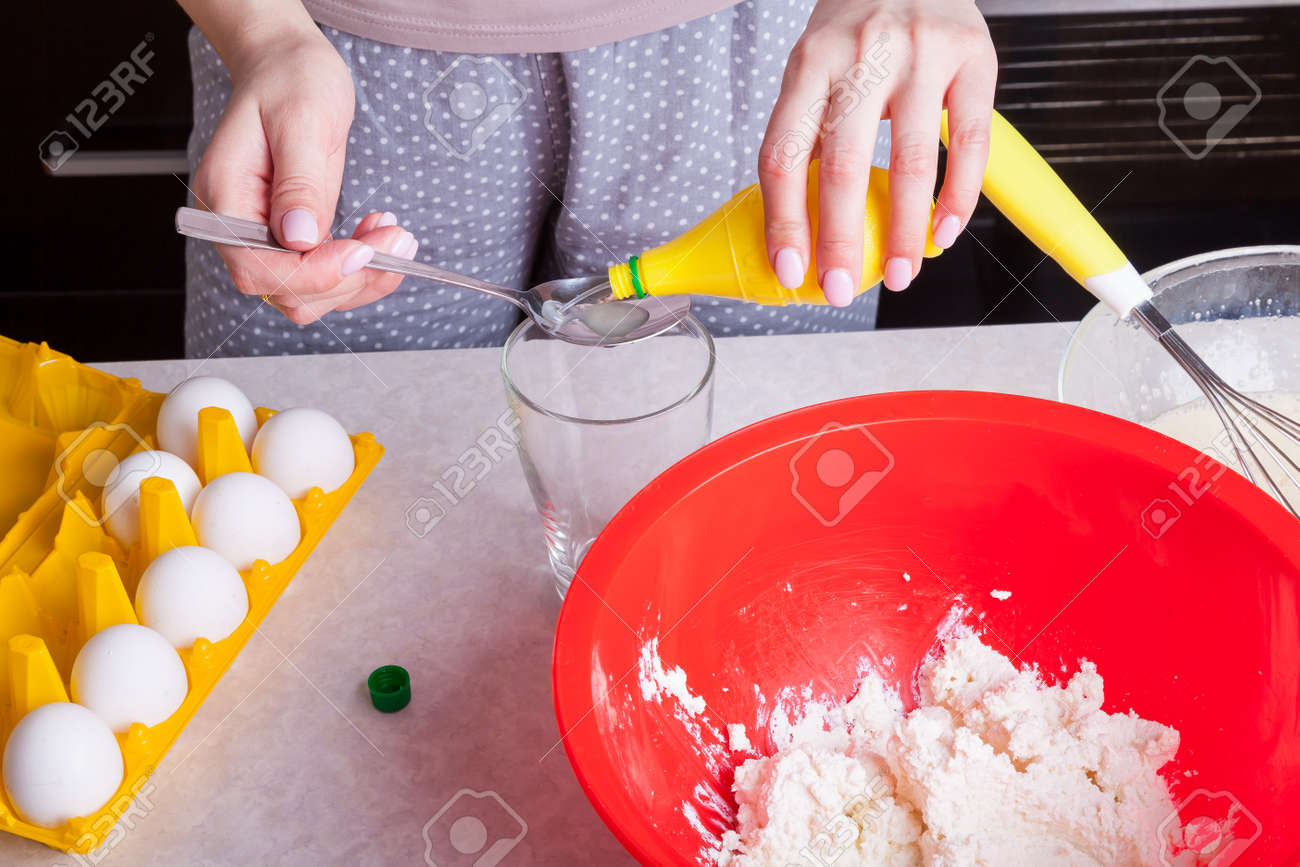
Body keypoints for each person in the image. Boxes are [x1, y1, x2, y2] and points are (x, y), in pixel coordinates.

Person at [180, 0, 995, 356]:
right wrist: (264, 35)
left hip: (764, 54)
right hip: (339, 59)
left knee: (766, 481)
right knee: (320, 486)